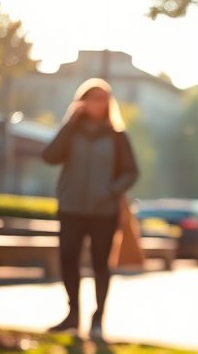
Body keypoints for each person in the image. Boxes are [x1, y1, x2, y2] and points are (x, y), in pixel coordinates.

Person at [40, 78, 139, 338]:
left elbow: (131, 171)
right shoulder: (71, 131)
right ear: (83, 101)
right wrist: (69, 122)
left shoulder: (117, 136)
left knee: (100, 264)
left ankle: (98, 318)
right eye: (95, 98)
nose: (101, 103)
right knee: (68, 258)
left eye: (105, 99)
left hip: (103, 211)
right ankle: (73, 314)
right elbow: (50, 156)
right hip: (71, 207)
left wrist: (111, 190)